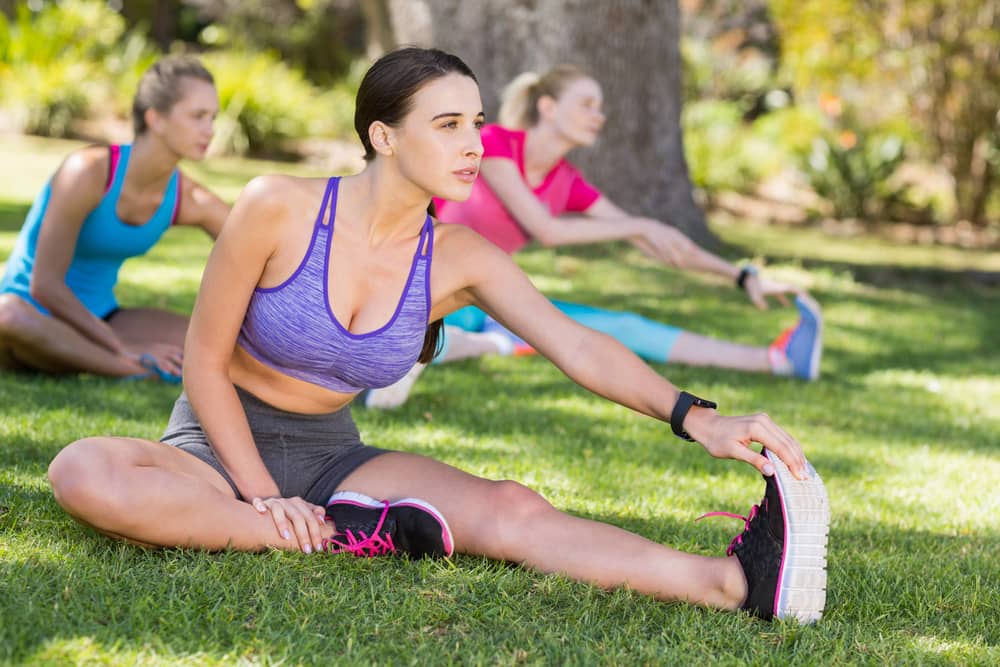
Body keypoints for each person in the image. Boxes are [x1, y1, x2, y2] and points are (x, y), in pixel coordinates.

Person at [47, 48, 830, 623]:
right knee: (85, 471)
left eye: (478, 124)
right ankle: (314, 533)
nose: (474, 145)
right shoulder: (277, 206)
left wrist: (697, 416)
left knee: (513, 509)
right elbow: (206, 367)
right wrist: (265, 498)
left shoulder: (458, 258)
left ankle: (730, 585)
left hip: (336, 457)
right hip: (213, 452)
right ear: (384, 136)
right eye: (448, 124)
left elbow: (576, 344)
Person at [364, 64, 821, 409]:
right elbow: (546, 229)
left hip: (475, 298)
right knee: (463, 324)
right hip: (414, 280)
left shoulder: (568, 183)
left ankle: (777, 360)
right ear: (547, 107)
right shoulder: (495, 144)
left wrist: (740, 275)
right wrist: (638, 225)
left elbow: (655, 241)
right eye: (587, 104)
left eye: (599, 107)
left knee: (622, 328)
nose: (598, 116)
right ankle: (430, 352)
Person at [0, 55, 229, 381]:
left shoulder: (187, 197)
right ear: (156, 119)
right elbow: (44, 286)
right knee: (6, 315)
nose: (210, 130)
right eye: (198, 116)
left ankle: (104, 358)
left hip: (103, 316)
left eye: (213, 117)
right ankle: (130, 368)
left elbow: (256, 244)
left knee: (214, 345)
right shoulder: (90, 172)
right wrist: (123, 346)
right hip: (29, 313)